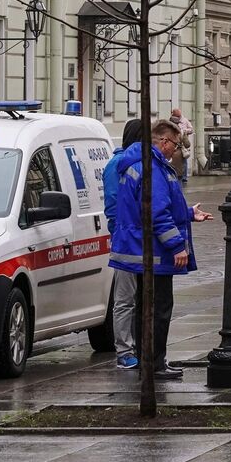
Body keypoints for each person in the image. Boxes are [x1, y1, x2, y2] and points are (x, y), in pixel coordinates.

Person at [108, 119, 212, 379]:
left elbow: (158, 207)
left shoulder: (141, 165)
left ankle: (149, 361)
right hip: (154, 253)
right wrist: (177, 246)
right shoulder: (152, 169)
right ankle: (155, 363)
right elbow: (157, 214)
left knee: (146, 308)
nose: (175, 150)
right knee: (158, 309)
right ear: (163, 142)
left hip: (143, 250)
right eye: (175, 145)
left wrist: (188, 214)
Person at [103, 118, 145, 369]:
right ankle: (124, 350)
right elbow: (113, 204)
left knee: (140, 297)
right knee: (125, 298)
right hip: (126, 241)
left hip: (138, 239)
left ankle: (137, 346)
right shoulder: (118, 165)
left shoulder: (138, 163)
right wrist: (121, 231)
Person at [169, 107, 195, 184]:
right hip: (180, 150)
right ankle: (182, 178)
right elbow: (187, 144)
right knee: (182, 164)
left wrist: (186, 131)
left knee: (174, 165)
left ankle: (179, 177)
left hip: (170, 151)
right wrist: (184, 134)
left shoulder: (166, 130)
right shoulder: (181, 132)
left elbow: (191, 129)